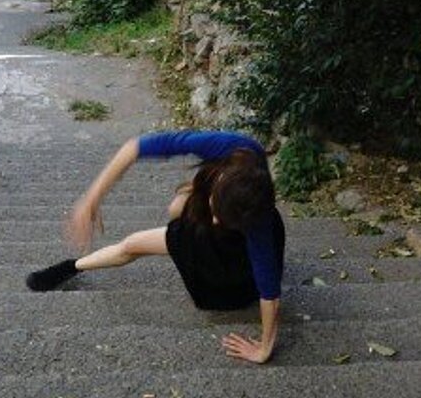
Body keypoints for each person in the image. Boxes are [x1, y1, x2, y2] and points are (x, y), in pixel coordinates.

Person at [26, 131, 285, 364]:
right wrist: (92, 199)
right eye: (214, 209)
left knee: (132, 244)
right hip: (224, 223)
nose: (215, 219)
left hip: (229, 267)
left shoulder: (256, 223)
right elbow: (135, 147)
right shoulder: (232, 147)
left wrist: (264, 349)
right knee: (176, 208)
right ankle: (74, 266)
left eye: (220, 217)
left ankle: (70, 267)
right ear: (221, 180)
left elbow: (269, 291)